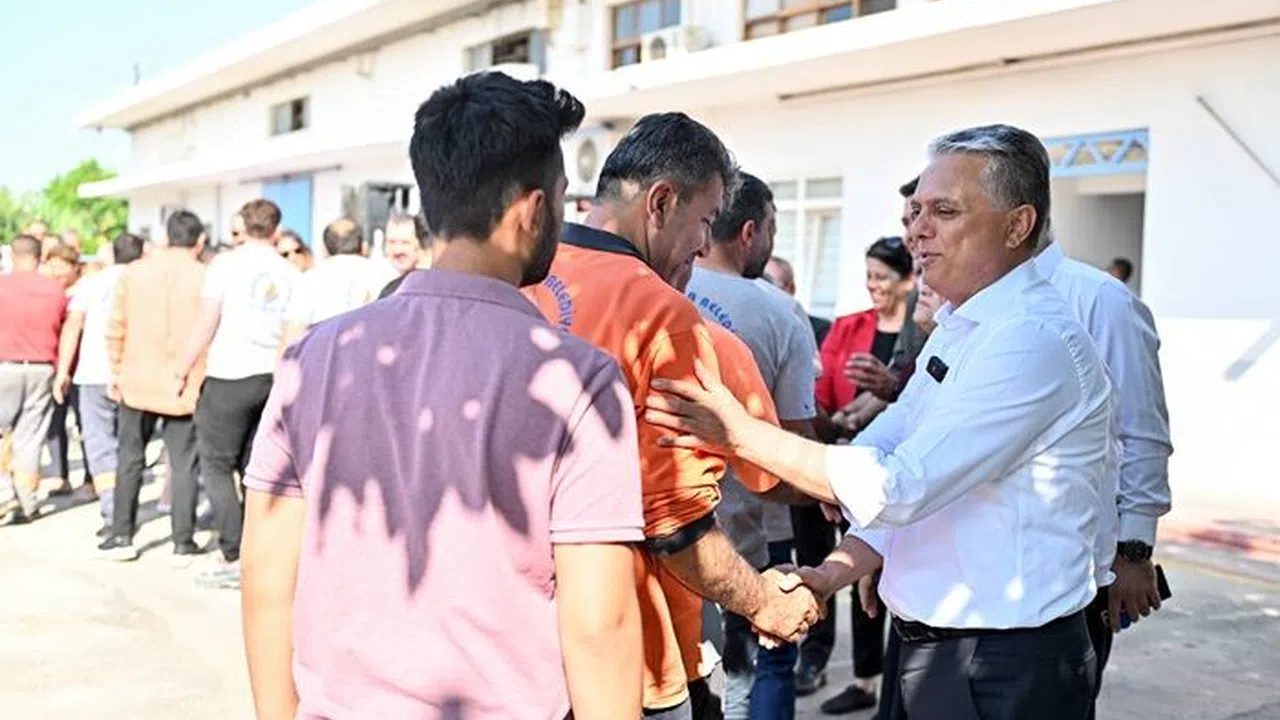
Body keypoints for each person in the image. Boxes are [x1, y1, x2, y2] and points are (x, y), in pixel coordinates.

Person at [645, 124, 1114, 720]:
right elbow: (889, 452)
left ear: (1018, 225)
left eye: (944, 211)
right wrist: (828, 573)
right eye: (916, 211)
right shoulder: (966, 327)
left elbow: (901, 484)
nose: (917, 230)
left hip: (1003, 662)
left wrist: (741, 433)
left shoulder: (1031, 339)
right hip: (934, 648)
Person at [240, 71, 645, 720]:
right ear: (531, 212)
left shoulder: (312, 358)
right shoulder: (578, 380)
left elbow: (265, 575)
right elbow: (601, 625)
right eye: (561, 198)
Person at [524, 111, 823, 718]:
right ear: (660, 203)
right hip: (631, 655)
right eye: (705, 221)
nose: (704, 246)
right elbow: (673, 524)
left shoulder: (515, 276)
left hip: (515, 648)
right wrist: (765, 601)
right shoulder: (665, 316)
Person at [684, 172, 819, 720]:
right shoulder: (780, 312)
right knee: (767, 661)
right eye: (772, 229)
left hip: (670, 528)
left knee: (691, 672)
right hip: (757, 530)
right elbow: (797, 438)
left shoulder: (655, 290)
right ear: (749, 232)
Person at [1036, 226, 1172, 720]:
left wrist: (1135, 551)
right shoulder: (966, 304)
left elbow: (1142, 430)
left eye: (947, 211)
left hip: (1077, 571)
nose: (920, 231)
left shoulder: (1100, 300)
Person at [177, 198, 299, 588]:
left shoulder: (225, 265)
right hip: (269, 377)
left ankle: (234, 549)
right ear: (276, 230)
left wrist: (183, 367)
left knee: (215, 465)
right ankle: (257, 543)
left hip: (229, 373)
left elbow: (206, 321)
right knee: (254, 468)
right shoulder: (290, 272)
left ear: (243, 228)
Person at [98, 214, 209, 561]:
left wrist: (115, 369)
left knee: (130, 458)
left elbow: (116, 326)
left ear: (165, 237)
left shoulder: (135, 273)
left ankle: (122, 534)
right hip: (185, 383)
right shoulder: (205, 276)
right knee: (184, 463)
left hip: (137, 379)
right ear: (200, 241)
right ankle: (183, 541)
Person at [52, 232, 147, 535]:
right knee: (130, 445)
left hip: (93, 373)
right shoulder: (146, 282)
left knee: (100, 444)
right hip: (134, 373)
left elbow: (73, 326)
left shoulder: (92, 283)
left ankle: (112, 512)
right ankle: (125, 511)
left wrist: (63, 370)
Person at [0, 235, 68, 524]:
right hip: (42, 368)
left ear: (13, 256)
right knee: (30, 439)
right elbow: (65, 330)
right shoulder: (55, 290)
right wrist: (62, 371)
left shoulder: (2, 285)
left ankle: (4, 494)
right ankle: (26, 503)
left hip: (5, 366)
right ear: (40, 257)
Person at [279, 217, 385, 350]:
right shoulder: (384, 275)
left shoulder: (309, 281)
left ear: (323, 249)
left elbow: (292, 338)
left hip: (323, 358)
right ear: (363, 247)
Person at [38, 242, 83, 496]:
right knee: (55, 423)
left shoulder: (83, 291)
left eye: (61, 266)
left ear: (75, 267)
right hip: (54, 365)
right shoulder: (49, 294)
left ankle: (91, 476)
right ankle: (59, 474)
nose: (56, 273)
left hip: (81, 367)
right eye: (51, 266)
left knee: (85, 423)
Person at [764, 256, 830, 348]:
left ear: (791, 289)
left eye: (771, 287)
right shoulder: (749, 328)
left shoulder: (820, 330)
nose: (763, 294)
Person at [375, 212, 434, 298]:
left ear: (421, 245)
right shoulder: (384, 283)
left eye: (405, 243)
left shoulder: (430, 287)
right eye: (392, 242)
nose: (397, 250)